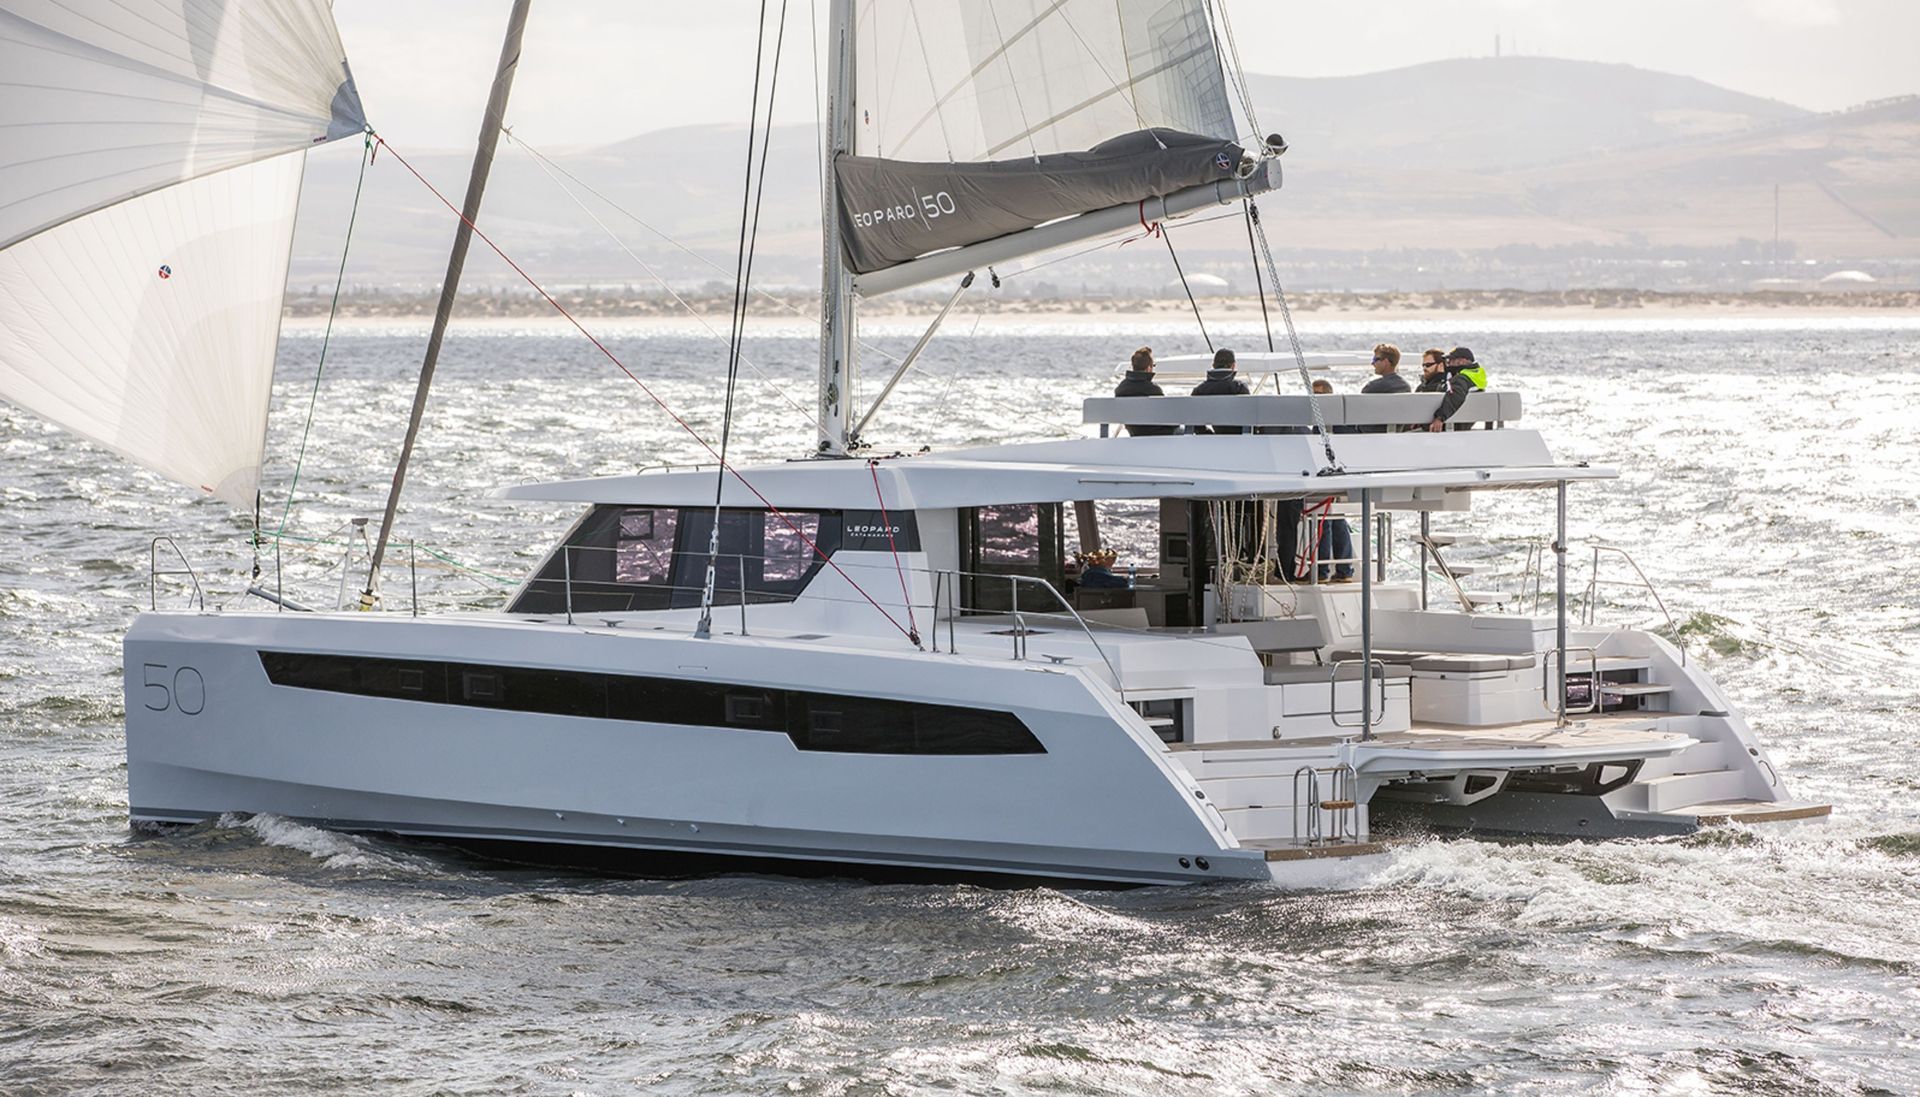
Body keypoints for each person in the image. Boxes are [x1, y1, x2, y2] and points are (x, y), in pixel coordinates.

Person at [1113, 346, 1177, 436]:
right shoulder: (1153, 390)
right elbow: (1166, 418)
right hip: (1159, 434)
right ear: (1148, 368)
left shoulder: (1121, 389)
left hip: (1134, 433)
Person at [1190, 347, 1249, 435]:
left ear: (1213, 365)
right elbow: (1248, 417)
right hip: (1239, 437)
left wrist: (1206, 432)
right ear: (1233, 366)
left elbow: (1192, 418)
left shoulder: (1200, 390)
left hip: (1211, 441)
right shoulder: (1239, 388)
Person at [1416, 346, 1472, 432]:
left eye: (1428, 365)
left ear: (1441, 365)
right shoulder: (1471, 378)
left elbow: (1456, 396)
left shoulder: (1448, 385)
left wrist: (1440, 418)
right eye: (1423, 365)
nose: (1424, 368)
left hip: (1437, 431)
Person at [1445, 346, 1488, 429]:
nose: (1448, 363)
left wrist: (1439, 417)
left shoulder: (1461, 378)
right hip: (1467, 420)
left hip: (1455, 424)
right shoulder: (1476, 376)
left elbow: (1455, 398)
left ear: (1462, 361)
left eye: (1451, 360)